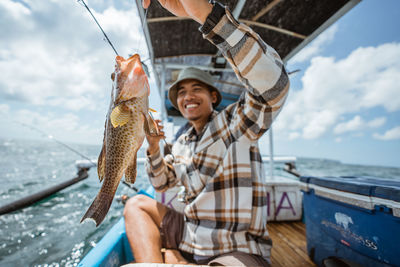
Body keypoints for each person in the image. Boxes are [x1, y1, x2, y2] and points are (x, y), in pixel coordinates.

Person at [124, 0, 290, 265]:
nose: (187, 96)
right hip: (190, 235)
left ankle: (173, 258)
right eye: (181, 92)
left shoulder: (236, 121)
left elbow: (273, 87)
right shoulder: (180, 143)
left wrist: (205, 14)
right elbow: (162, 183)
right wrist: (154, 148)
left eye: (196, 89)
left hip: (236, 247)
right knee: (135, 205)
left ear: (213, 96)